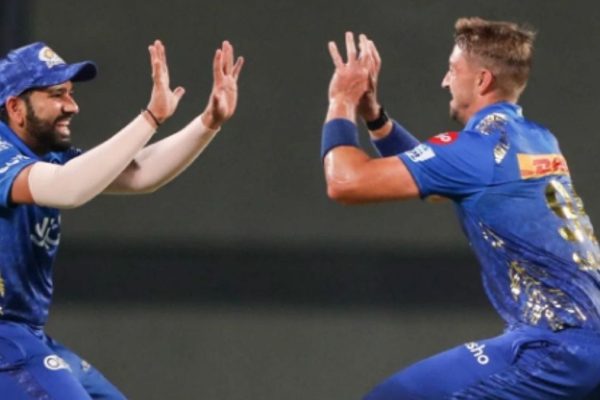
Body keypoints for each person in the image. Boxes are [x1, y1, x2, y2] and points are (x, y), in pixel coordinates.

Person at [321, 18, 600, 399]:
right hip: (581, 347)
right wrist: (375, 118)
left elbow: (345, 182)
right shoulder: (538, 140)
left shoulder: (478, 151)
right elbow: (440, 179)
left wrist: (341, 99)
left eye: (453, 70)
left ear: (482, 80)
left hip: (557, 350)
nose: (445, 81)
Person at [0, 39, 243, 398]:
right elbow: (69, 188)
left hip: (26, 334)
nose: (72, 105)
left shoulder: (44, 156)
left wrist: (208, 122)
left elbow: (138, 174)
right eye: (56, 94)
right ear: (15, 107)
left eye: (70, 93)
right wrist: (151, 118)